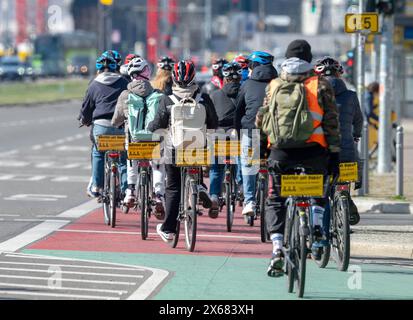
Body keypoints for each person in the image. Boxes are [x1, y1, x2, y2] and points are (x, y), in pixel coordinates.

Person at [256, 40, 341, 277]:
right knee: (319, 192)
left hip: (280, 153)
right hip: (313, 152)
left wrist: (263, 151)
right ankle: (315, 226)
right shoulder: (320, 84)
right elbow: (331, 122)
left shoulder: (274, 84)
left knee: (275, 199)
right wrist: (334, 154)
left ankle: (276, 249)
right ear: (309, 57)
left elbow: (261, 119)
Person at [148, 60, 219, 243]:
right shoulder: (203, 98)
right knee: (196, 165)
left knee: (173, 188)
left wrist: (152, 128)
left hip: (174, 149)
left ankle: (169, 228)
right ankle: (200, 186)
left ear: (174, 79)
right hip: (197, 148)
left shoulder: (167, 100)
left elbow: (157, 125)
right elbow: (213, 123)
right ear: (194, 77)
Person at [112, 57, 166, 219]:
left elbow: (117, 119)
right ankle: (158, 194)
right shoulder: (158, 94)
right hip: (154, 139)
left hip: (134, 139)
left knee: (131, 162)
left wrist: (117, 124)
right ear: (147, 73)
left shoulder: (125, 95)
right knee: (158, 165)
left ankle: (130, 191)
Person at [314, 56, 363, 225]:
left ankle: (323, 228)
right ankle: (344, 199)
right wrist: (355, 135)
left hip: (322, 151)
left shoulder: (312, 94)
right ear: (339, 74)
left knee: (322, 193)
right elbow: (358, 120)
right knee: (342, 182)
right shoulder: (351, 96)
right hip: (347, 151)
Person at [79, 50, 128, 199]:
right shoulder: (124, 83)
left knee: (98, 151)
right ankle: (126, 190)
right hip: (120, 126)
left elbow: (86, 108)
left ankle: (96, 185)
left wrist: (84, 120)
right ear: (115, 68)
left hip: (101, 126)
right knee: (123, 158)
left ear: (99, 68)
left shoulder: (93, 84)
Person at [234, 51, 278, 219]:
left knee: (247, 165)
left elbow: (238, 111)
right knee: (276, 165)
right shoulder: (279, 84)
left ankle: (250, 200)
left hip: (251, 131)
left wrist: (238, 132)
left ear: (254, 67)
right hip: (273, 133)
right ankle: (275, 196)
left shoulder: (247, 84)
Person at [208, 62, 243, 217]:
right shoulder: (245, 93)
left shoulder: (215, 95)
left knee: (216, 168)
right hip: (238, 134)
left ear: (225, 78)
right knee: (243, 161)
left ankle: (214, 196)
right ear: (239, 77)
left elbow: (209, 118)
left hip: (220, 134)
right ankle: (241, 186)